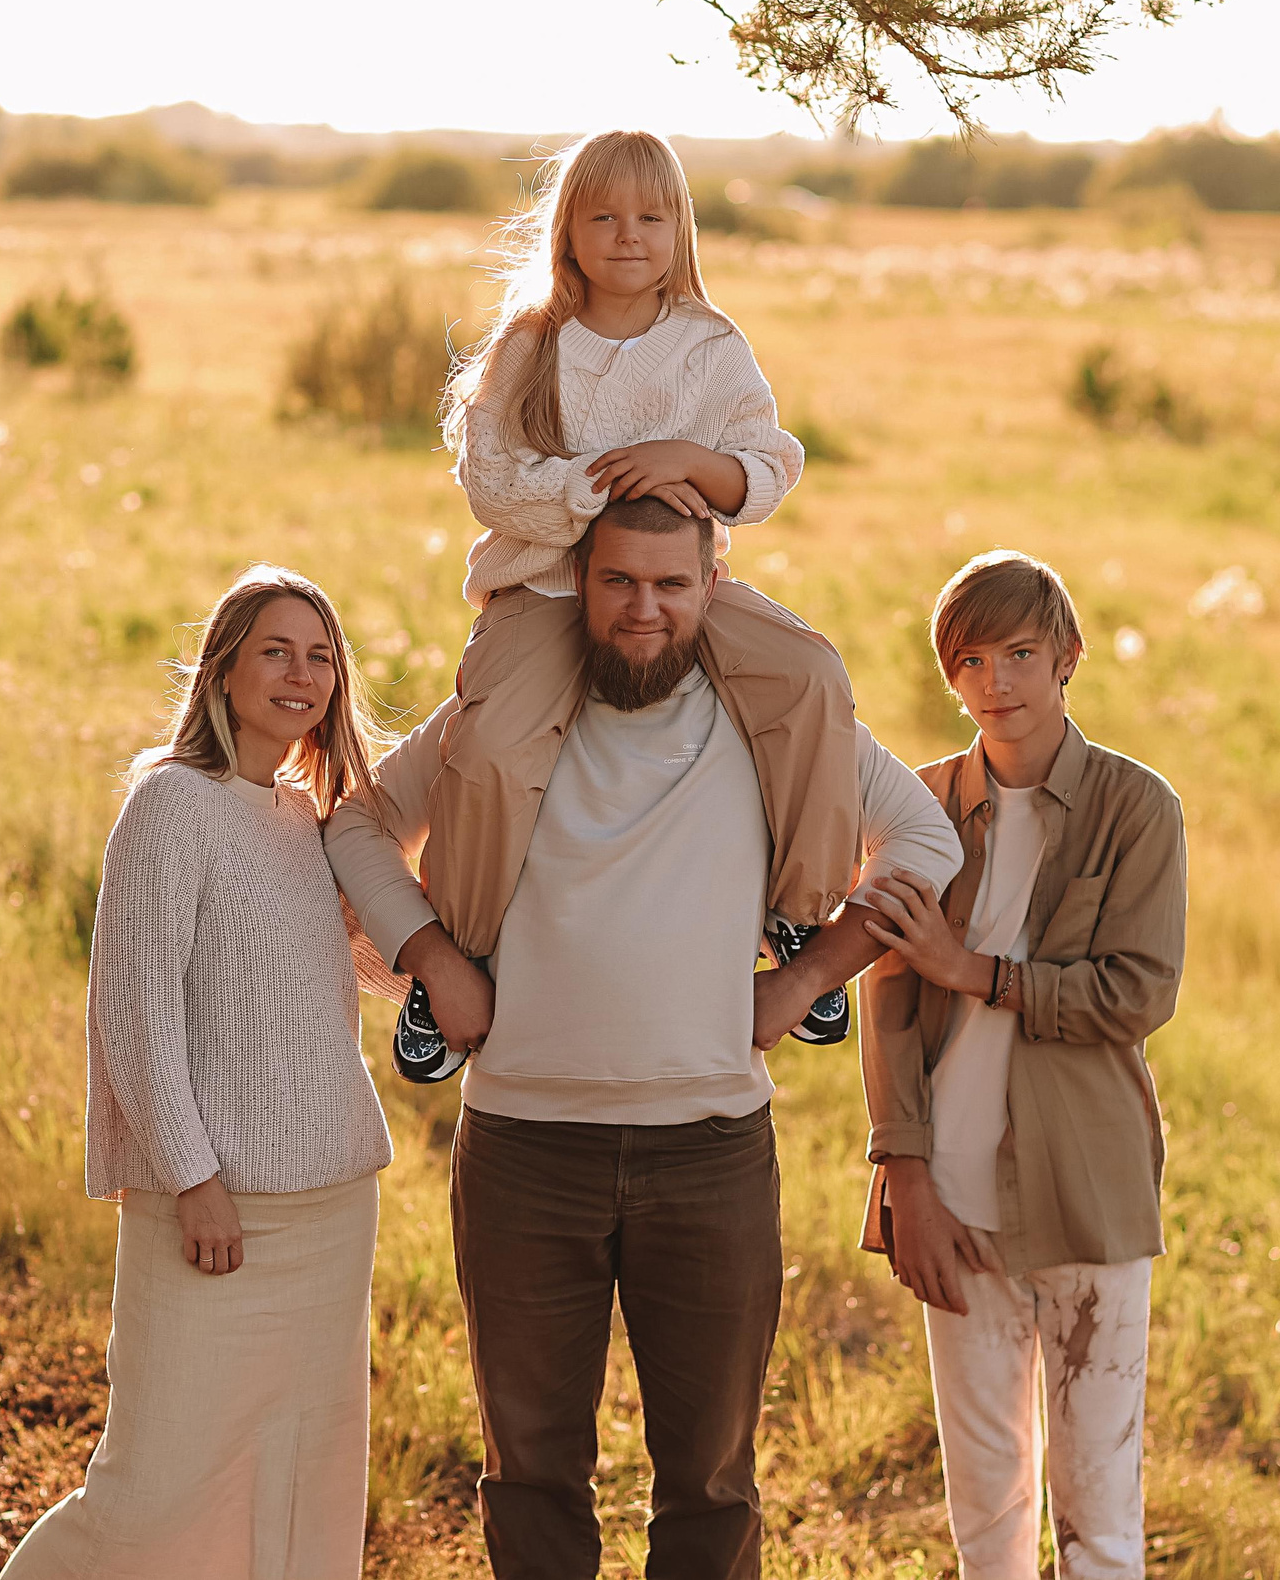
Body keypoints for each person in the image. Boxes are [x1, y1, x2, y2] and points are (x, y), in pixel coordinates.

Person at [326, 496, 964, 1580]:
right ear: (578, 581)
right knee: (530, 1473)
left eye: (671, 584)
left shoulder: (774, 720)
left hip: (709, 1150)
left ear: (714, 586)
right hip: (524, 1148)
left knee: (711, 1484)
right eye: (619, 580)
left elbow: (922, 838)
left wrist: (805, 978)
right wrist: (431, 955)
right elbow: (356, 822)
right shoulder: (506, 712)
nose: (644, 609)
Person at [397, 128, 863, 1075]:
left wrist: (690, 462)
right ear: (567, 231)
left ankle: (799, 914)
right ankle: (462, 948)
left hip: (684, 589)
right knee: (488, 749)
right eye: (603, 216)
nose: (628, 235)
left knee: (811, 673)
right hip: (546, 584)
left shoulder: (709, 344)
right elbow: (491, 480)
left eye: (651, 216)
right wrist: (603, 484)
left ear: (679, 227)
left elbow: (769, 465)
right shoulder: (532, 345)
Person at [0, 566, 395, 1580]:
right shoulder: (171, 805)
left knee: (303, 1480)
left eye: (320, 657)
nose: (301, 674)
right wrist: (193, 1177)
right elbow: (134, 1013)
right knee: (153, 1490)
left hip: (331, 1209)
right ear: (223, 670)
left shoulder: (302, 816)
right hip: (213, 1211)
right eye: (276, 651)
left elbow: (361, 968)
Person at [849, 550, 1189, 1580]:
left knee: (1100, 1508)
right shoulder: (918, 805)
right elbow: (887, 1002)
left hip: (1089, 1190)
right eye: (970, 661)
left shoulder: (1137, 808)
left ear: (1068, 655)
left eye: (1020, 655)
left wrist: (977, 972)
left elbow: (1138, 993)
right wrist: (904, 1178)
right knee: (985, 1504)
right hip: (947, 1194)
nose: (995, 683)